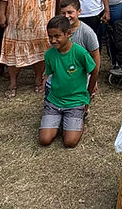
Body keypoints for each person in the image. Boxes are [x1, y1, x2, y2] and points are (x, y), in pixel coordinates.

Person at [39, 15, 98, 148]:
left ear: (68, 34)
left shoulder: (80, 53)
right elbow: (49, 75)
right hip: (55, 101)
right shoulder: (49, 55)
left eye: (57, 36)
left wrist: (87, 96)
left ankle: (79, 116)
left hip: (75, 102)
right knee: (44, 140)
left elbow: (94, 71)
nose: (53, 40)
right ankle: (58, 120)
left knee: (69, 142)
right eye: (50, 36)